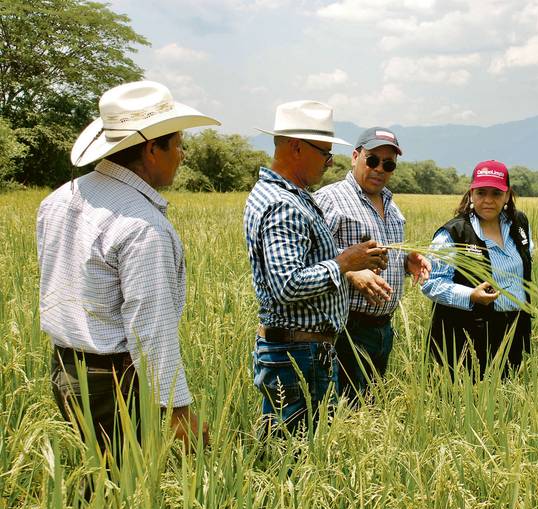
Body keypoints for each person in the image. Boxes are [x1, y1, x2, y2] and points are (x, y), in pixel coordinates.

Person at [37, 80, 218, 458]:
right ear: (153, 149)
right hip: (116, 384)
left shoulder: (58, 199)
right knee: (132, 501)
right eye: (179, 144)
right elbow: (150, 328)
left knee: (97, 492)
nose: (182, 155)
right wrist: (178, 411)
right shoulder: (141, 226)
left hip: (65, 370)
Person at [245, 100, 388, 435]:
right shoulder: (282, 205)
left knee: (302, 449)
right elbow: (288, 285)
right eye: (324, 152)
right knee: (293, 456)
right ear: (296, 147)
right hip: (297, 355)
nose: (329, 162)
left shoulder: (289, 196)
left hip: (306, 351)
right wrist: (344, 263)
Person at [314, 127, 431, 402]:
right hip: (347, 329)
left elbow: (383, 255)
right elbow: (312, 254)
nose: (380, 169)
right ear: (355, 157)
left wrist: (406, 261)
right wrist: (352, 272)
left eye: (388, 164)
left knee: (370, 406)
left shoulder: (392, 205)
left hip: (382, 329)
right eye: (373, 160)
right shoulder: (331, 199)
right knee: (345, 409)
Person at [421, 160, 533, 379]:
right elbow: (430, 283)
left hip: (513, 333)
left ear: (508, 195)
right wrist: (470, 295)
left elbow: (526, 264)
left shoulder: (519, 225)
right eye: (481, 193)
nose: (488, 201)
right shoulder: (454, 233)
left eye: (496, 193)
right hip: (466, 339)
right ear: (471, 193)